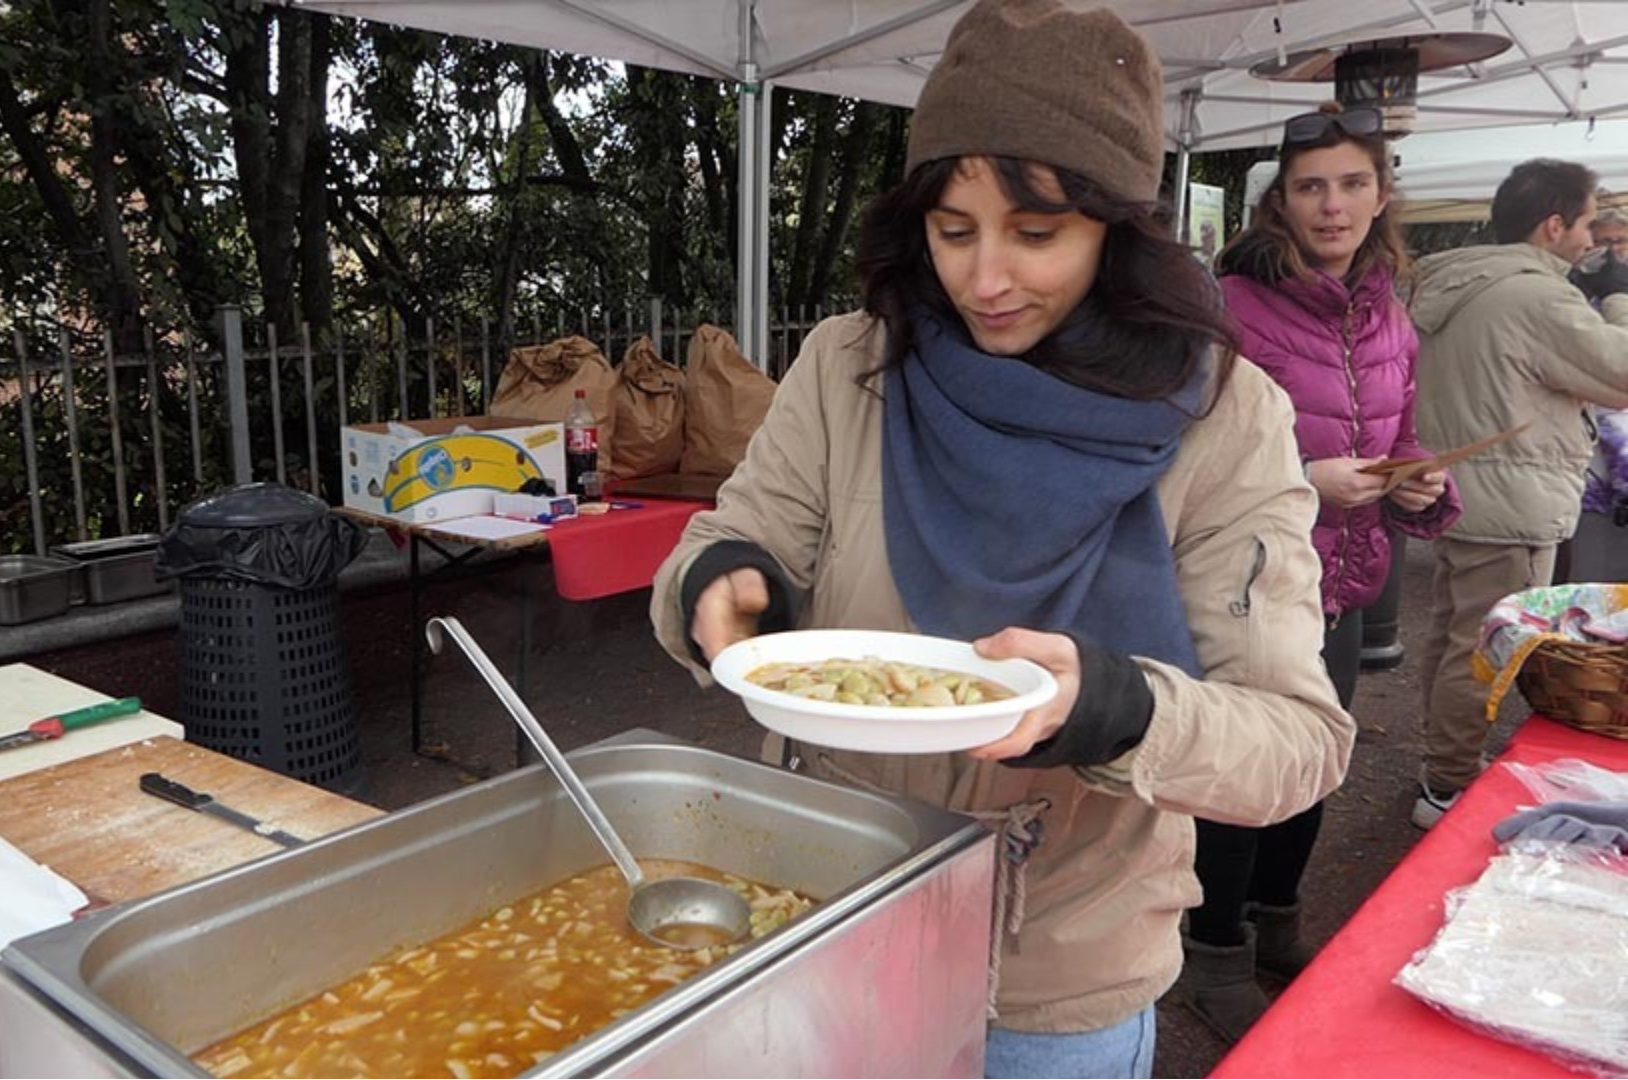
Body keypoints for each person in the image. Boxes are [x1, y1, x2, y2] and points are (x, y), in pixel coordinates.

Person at [647, 2, 1354, 1074]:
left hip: (1048, 975)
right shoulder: (854, 363)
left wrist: (1118, 710)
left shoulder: (1225, 416)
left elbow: (1296, 744)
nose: (985, 280)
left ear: (1117, 228)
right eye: (953, 228)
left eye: (1037, 234)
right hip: (823, 912)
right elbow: (741, 530)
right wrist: (721, 582)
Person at [1182, 102, 1462, 1040]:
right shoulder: (1228, 307)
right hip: (1244, 583)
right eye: (1311, 187)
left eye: (1351, 184)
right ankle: (1211, 948)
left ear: (1382, 194)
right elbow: (1180, 454)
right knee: (1241, 774)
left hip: (1345, 579)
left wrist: (1417, 484)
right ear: (1281, 201)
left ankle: (1274, 924)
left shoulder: (1392, 313)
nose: (1332, 206)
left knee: (1313, 765)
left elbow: (1404, 435)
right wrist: (1301, 480)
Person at [1409, 158, 1628, 829]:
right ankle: (1447, 782)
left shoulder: (1466, 280)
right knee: (1480, 646)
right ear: (1555, 224)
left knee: (1454, 636)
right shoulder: (1538, 297)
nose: (1596, 240)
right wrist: (1620, 296)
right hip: (1511, 497)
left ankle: (1443, 765)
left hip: (1462, 488)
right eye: (1591, 223)